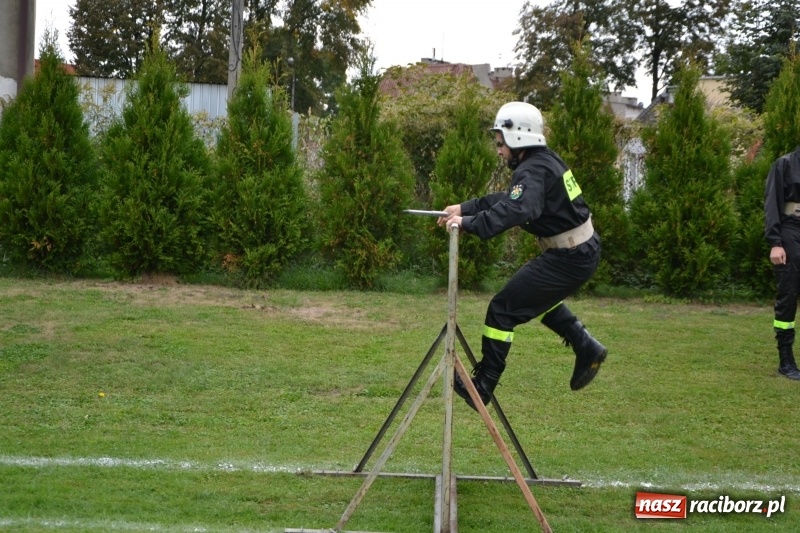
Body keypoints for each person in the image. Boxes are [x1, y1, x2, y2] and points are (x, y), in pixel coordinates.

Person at [437, 101, 607, 410]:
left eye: (500, 142)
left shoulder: (533, 169)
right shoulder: (542, 164)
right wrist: (465, 208)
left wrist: (468, 224)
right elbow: (511, 199)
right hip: (577, 252)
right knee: (531, 298)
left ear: (518, 137)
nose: (499, 149)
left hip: (570, 256)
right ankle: (586, 345)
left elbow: (519, 209)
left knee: (502, 310)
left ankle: (484, 386)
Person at [764, 146, 800, 381]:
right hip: (790, 233)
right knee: (788, 294)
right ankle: (785, 359)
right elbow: (772, 203)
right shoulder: (785, 164)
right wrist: (775, 242)